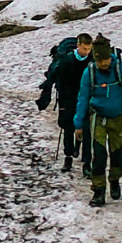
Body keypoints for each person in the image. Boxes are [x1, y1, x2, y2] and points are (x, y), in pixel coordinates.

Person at [73, 35, 122, 207]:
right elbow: (83, 98)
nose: (103, 64)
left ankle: (114, 181)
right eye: (100, 61)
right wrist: (78, 124)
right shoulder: (89, 73)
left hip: (118, 117)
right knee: (98, 155)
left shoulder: (121, 68)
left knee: (117, 153)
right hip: (97, 117)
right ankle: (98, 191)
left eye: (106, 60)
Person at [38, 32, 94, 174]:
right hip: (68, 97)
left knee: (87, 128)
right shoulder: (66, 60)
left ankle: (86, 161)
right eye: (84, 48)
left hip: (86, 97)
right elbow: (56, 77)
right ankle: (68, 156)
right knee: (68, 127)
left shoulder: (92, 61)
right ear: (78, 45)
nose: (87, 51)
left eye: (89, 48)